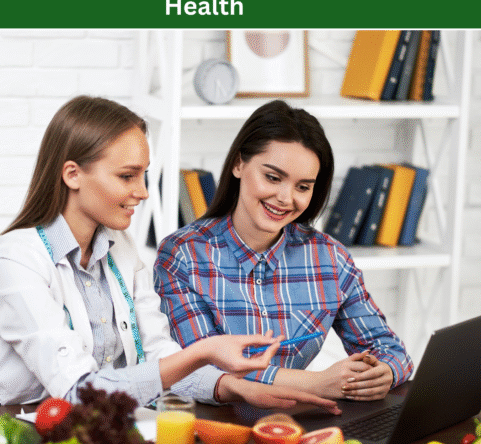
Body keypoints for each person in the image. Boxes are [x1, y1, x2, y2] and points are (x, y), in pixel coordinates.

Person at [0, 95, 339, 413]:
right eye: (128, 177)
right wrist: (203, 352)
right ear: (73, 174)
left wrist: (229, 386)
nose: (144, 192)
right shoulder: (15, 259)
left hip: (98, 433)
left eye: (144, 175)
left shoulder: (119, 247)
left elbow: (158, 354)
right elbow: (80, 393)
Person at [155, 100, 414, 402]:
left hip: (300, 424)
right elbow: (203, 368)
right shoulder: (183, 255)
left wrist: (383, 372)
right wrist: (317, 383)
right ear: (239, 164)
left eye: (303, 187)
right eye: (273, 178)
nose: (285, 198)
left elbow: (390, 351)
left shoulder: (330, 259)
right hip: (214, 425)